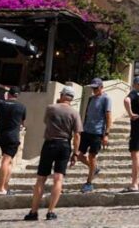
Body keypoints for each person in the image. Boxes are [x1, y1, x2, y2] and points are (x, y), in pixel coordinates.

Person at [25, 85, 82, 221]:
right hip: (64, 145)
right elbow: (77, 135)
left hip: (50, 143)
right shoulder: (74, 113)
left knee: (41, 179)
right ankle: (51, 212)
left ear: (62, 95)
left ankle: (33, 212)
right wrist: (75, 153)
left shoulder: (51, 108)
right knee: (58, 178)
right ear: (71, 98)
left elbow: (46, 122)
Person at [75, 78, 112, 193]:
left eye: (96, 88)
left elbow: (108, 116)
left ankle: (89, 182)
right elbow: (86, 114)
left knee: (92, 157)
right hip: (86, 131)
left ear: (101, 87)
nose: (94, 90)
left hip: (97, 132)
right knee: (79, 155)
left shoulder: (106, 98)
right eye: (93, 88)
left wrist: (106, 134)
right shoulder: (91, 98)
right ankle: (94, 168)